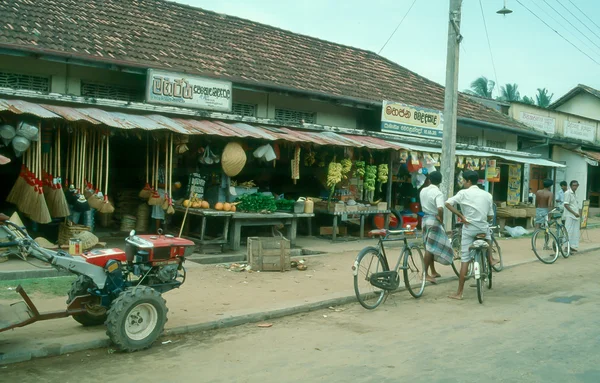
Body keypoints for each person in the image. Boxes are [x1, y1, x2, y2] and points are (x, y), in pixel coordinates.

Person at [445, 170, 498, 300]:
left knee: (465, 260)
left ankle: (459, 293)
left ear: (468, 181)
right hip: (482, 227)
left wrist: (461, 216)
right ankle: (490, 259)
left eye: (463, 180)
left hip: (468, 228)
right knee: (488, 237)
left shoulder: (463, 193)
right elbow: (490, 215)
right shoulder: (487, 195)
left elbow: (447, 203)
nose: (462, 182)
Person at [419, 171, 453, 284]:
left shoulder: (423, 190)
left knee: (429, 245)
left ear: (429, 179)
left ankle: (433, 271)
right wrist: (441, 218)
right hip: (433, 219)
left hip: (424, 219)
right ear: (440, 181)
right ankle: (425, 273)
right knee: (430, 248)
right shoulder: (438, 193)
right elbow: (440, 208)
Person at [563, 180, 581, 252]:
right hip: (569, 215)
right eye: (573, 185)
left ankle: (570, 246)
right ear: (570, 186)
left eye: (576, 185)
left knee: (574, 232)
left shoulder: (575, 193)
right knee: (568, 231)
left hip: (575, 216)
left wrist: (578, 212)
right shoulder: (568, 193)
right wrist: (574, 213)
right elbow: (566, 205)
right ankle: (566, 247)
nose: (575, 187)